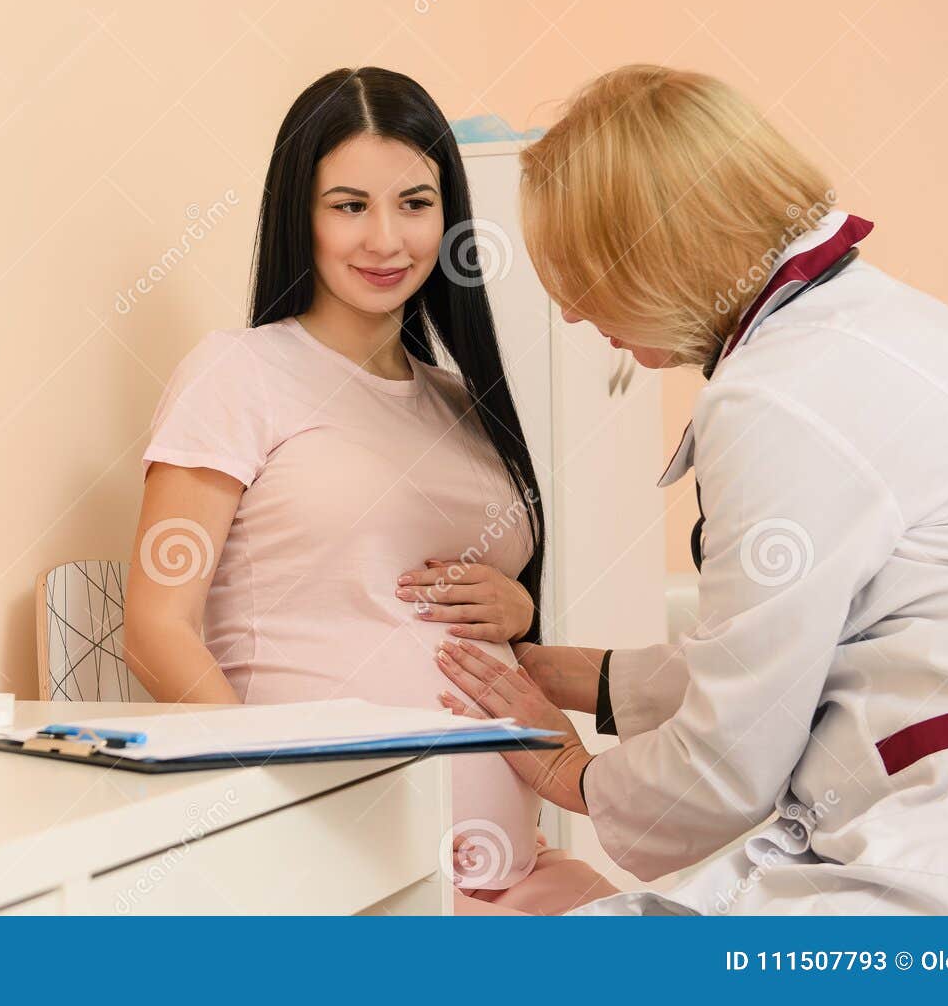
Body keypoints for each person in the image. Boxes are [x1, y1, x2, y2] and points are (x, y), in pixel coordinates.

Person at [437, 64, 948, 914]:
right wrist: (584, 676)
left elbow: (738, 744)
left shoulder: (775, 392)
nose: (575, 316)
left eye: (583, 277)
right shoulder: (885, 325)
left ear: (657, 248)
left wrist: (574, 775)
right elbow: (784, 639)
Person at [124, 67, 607, 913]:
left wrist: (518, 613)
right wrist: (272, 804)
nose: (386, 238)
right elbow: (157, 628)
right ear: (299, 214)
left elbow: (429, 603)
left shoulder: (462, 402)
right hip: (342, 876)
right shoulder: (241, 374)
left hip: (515, 870)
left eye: (415, 204)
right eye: (350, 205)